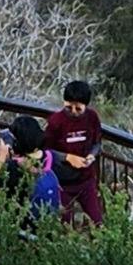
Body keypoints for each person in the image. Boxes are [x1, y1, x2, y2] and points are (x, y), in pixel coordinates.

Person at [44, 79, 106, 227]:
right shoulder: (56, 121)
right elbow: (45, 151)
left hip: (86, 180)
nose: (73, 112)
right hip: (62, 183)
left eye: (78, 109)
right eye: (68, 107)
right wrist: (67, 157)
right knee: (64, 224)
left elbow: (97, 143)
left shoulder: (92, 118)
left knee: (97, 222)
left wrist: (92, 155)